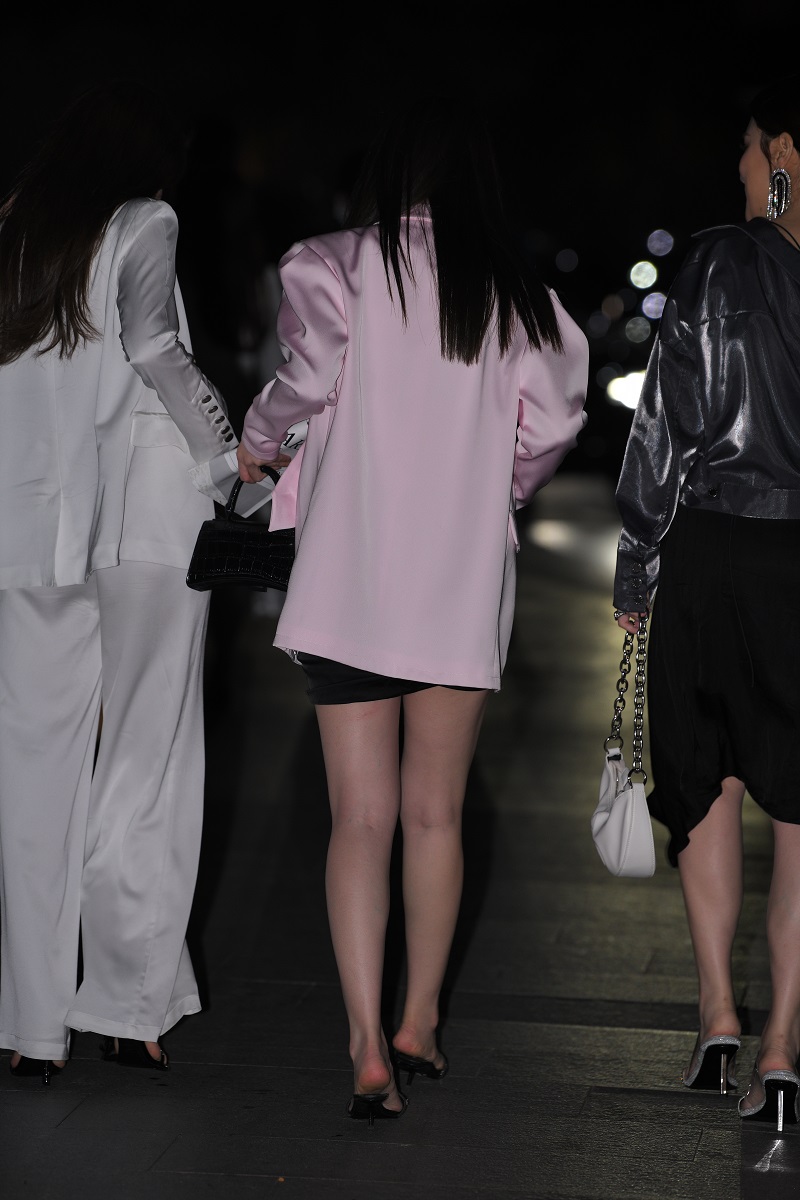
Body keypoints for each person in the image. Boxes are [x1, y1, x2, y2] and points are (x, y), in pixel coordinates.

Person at [236, 95, 589, 1122]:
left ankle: (362, 1043)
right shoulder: (513, 295)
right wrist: (500, 485)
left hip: (350, 576)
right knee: (436, 812)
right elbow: (553, 424)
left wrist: (258, 439)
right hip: (455, 583)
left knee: (359, 817)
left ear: (390, 172)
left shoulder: (336, 264)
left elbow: (303, 381)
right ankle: (419, 1019)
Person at [0, 79, 238, 1082]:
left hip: (25, 527)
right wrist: (228, 458)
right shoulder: (145, 219)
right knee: (148, 753)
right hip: (137, 514)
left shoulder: (16, 228)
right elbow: (154, 346)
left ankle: (31, 1024)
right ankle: (125, 1003)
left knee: (32, 773)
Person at [613, 74, 800, 1129]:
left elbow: (666, 420)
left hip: (713, 552)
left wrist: (635, 559)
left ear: (784, 152)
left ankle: (719, 1016)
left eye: (749, 146)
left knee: (708, 783)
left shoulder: (719, 261)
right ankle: (783, 1048)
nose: (738, 165)